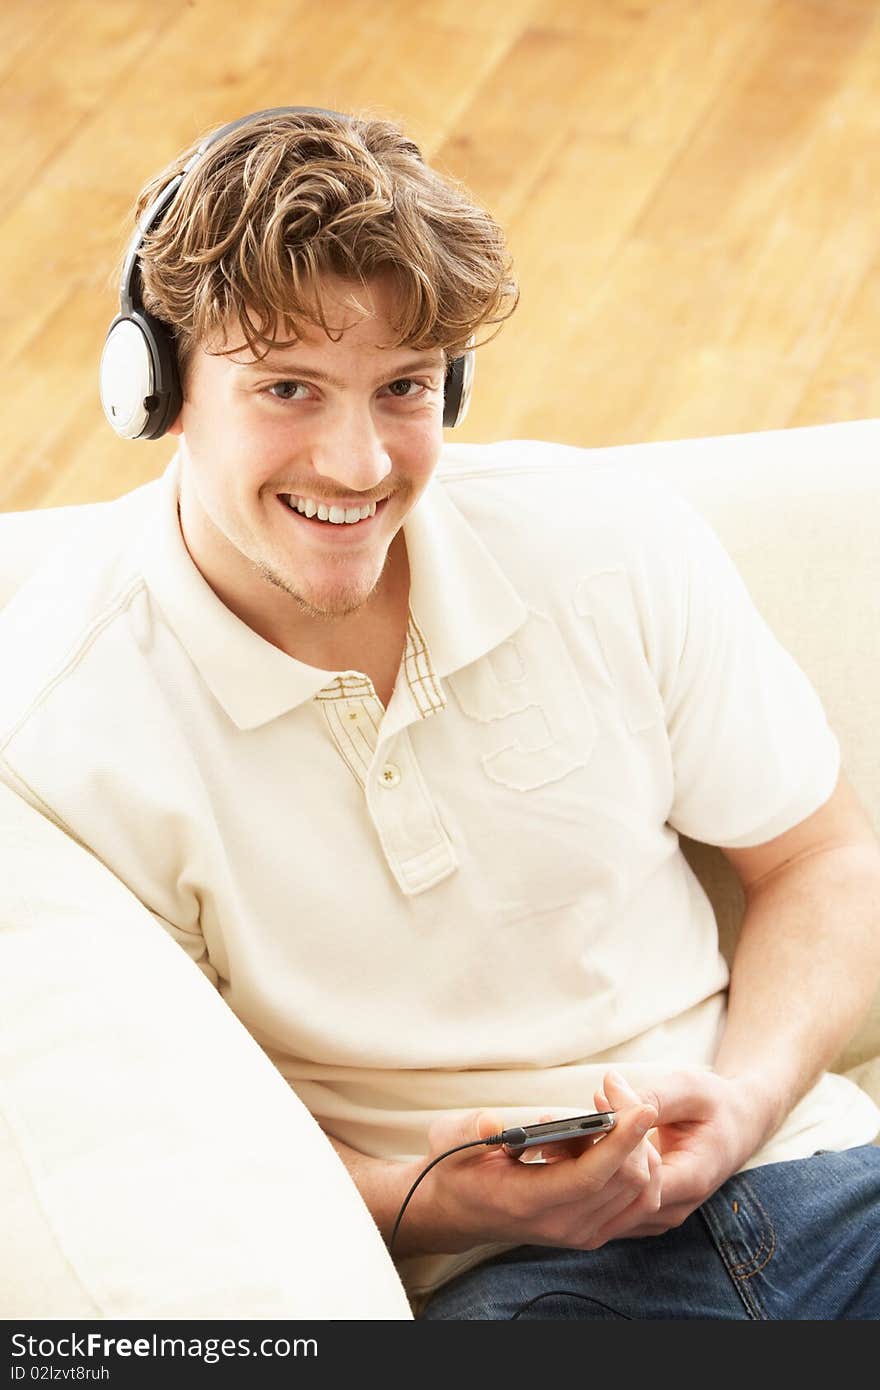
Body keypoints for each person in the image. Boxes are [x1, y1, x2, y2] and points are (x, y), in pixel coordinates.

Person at [1, 106, 879, 1321]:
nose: (357, 465)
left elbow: (824, 857)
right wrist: (437, 1199)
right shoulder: (59, 725)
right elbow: (155, 1154)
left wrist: (743, 1102)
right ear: (157, 389)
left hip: (819, 1174)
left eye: (403, 387)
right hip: (507, 1286)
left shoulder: (605, 543)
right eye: (289, 388)